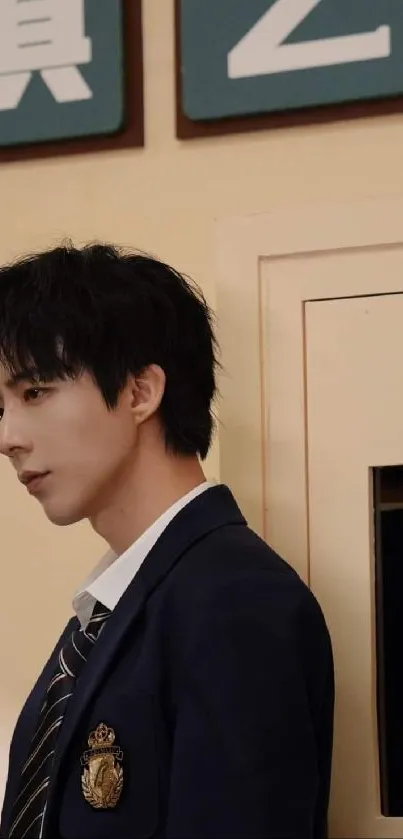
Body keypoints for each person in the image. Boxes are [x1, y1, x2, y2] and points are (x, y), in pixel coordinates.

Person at [0, 243, 334, 839]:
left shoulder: (234, 600)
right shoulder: (112, 609)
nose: (9, 437)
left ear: (139, 393)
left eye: (34, 392)